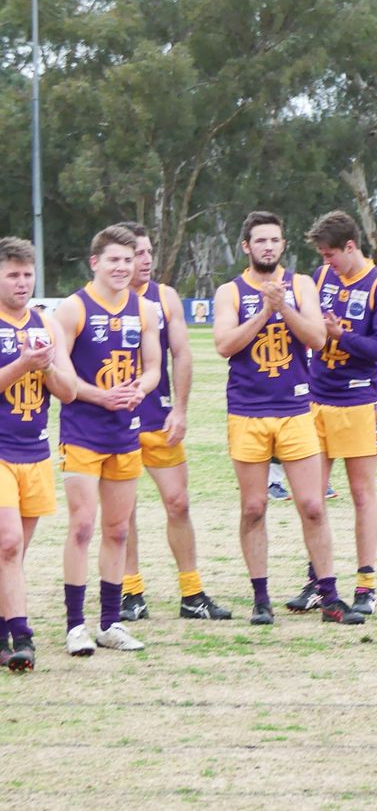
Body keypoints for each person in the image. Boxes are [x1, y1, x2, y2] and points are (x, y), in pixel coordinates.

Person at [212, 210, 362, 626]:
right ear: (247, 246)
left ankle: (329, 596)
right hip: (247, 411)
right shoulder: (230, 292)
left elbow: (317, 338)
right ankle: (261, 598)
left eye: (274, 240)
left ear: (283, 245)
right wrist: (264, 312)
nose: (268, 247)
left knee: (312, 505)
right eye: (260, 241)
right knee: (254, 507)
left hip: (296, 410)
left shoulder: (301, 285)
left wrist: (284, 308)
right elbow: (224, 345)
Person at [55, 224, 162, 655]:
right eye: (114, 259)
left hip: (125, 433)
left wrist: (140, 389)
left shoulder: (145, 309)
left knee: (117, 530)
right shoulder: (72, 309)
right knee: (83, 526)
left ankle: (110, 623)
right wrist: (101, 396)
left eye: (128, 259)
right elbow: (62, 378)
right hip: (82, 431)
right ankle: (75, 626)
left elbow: (153, 367)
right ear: (95, 262)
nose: (122, 267)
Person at [116, 223, 231, 622]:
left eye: (148, 252)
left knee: (178, 502)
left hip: (157, 417)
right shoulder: (98, 301)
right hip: (115, 422)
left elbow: (181, 354)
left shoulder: (164, 297)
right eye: (137, 254)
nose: (146, 260)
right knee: (123, 511)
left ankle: (192, 593)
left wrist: (179, 409)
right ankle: (130, 591)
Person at [285, 211, 377, 618]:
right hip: (315, 401)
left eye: (330, 254)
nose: (326, 262)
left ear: (351, 247)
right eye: (322, 256)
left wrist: (341, 336)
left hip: (358, 402)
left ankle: (366, 584)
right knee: (312, 500)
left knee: (362, 494)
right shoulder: (320, 278)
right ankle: (318, 580)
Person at [0, 237, 76, 671]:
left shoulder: (46, 324)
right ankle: (24, 638)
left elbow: (69, 391)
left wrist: (46, 366)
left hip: (35, 451)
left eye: (27, 274)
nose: (22, 282)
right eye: (12, 274)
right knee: (8, 544)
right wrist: (21, 365)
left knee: (13, 553)